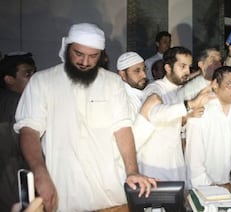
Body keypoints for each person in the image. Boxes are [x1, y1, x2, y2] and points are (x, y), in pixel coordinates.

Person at [14, 23, 156, 211]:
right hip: (63, 193)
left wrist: (132, 171)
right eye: (78, 54)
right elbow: (29, 130)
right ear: (67, 48)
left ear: (102, 55)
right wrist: (40, 173)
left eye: (93, 56)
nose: (85, 62)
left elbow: (122, 129)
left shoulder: (113, 83)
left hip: (110, 196)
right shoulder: (42, 82)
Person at [139, 46, 213, 186]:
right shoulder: (155, 89)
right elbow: (154, 114)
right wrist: (190, 105)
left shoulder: (179, 90)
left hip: (175, 162)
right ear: (168, 68)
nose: (187, 71)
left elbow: (173, 123)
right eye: (182, 66)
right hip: (154, 166)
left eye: (189, 67)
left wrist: (187, 118)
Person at [185, 66, 231, 187]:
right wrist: (209, 187)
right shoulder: (201, 108)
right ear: (215, 85)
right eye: (230, 84)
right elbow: (194, 159)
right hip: (207, 186)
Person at [0, 52, 36, 211]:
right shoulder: (18, 103)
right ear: (9, 79)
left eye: (34, 73)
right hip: (13, 179)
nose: (33, 78)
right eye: (27, 74)